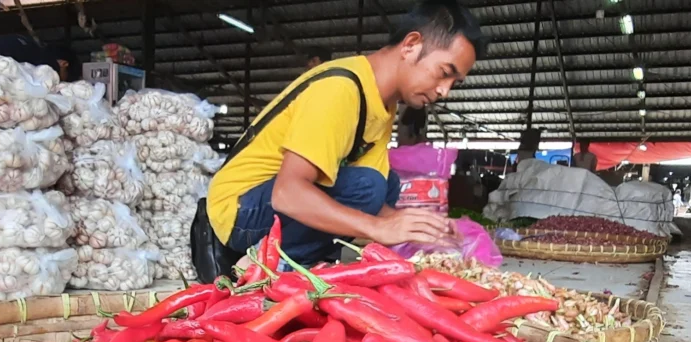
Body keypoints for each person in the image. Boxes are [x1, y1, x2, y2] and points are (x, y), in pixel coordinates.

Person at [203, 0, 488, 269]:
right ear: (411, 45)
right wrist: (379, 227)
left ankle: (299, 256)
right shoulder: (341, 89)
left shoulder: (382, 106)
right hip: (239, 210)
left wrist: (418, 224)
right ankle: (268, 264)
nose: (444, 91)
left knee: (385, 183)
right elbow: (287, 193)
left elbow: (376, 204)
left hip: (268, 202)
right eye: (444, 72)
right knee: (368, 185)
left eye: (454, 82)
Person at [0, 34, 77, 81]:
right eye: (63, 78)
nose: (59, 81)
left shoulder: (28, 45)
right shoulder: (34, 61)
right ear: (64, 63)